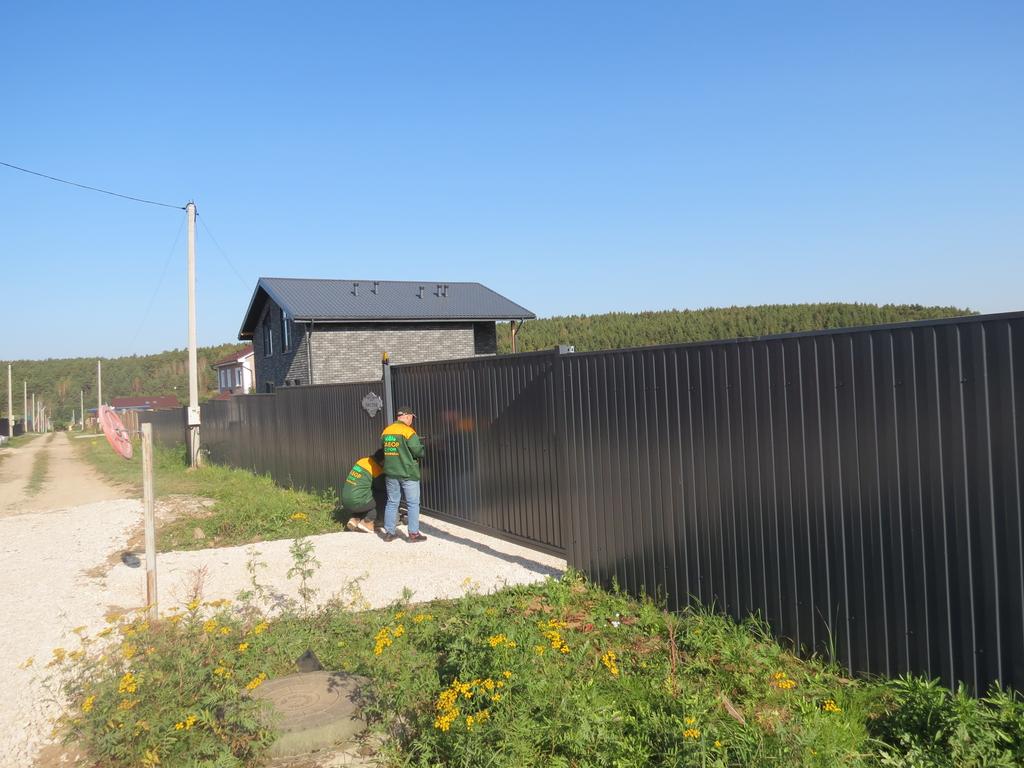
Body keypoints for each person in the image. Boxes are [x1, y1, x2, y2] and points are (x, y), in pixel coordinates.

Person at [380, 405, 426, 542]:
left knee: (392, 502)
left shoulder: (386, 431)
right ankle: (413, 534)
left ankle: (389, 533)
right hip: (408, 473)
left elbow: (384, 449)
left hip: (391, 474)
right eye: (411, 417)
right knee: (413, 503)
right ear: (406, 416)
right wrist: (421, 448)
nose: (412, 420)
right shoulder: (408, 431)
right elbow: (418, 451)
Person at [342, 449, 386, 533]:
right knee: (382, 497)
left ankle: (354, 519)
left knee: (364, 497)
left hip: (345, 500)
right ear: (382, 461)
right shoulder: (376, 469)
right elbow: (382, 487)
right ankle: (367, 522)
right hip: (356, 502)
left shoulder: (362, 461)